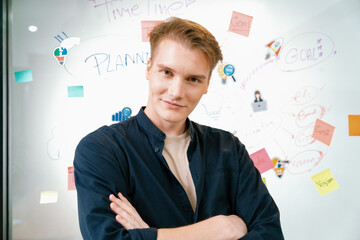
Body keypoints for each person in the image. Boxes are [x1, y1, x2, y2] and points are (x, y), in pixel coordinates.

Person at [74, 17, 284, 240]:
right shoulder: (101, 150)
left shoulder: (229, 149)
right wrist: (219, 229)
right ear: (149, 68)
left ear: (207, 84)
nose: (176, 92)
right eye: (167, 72)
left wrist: (149, 235)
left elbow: (270, 233)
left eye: (193, 79)